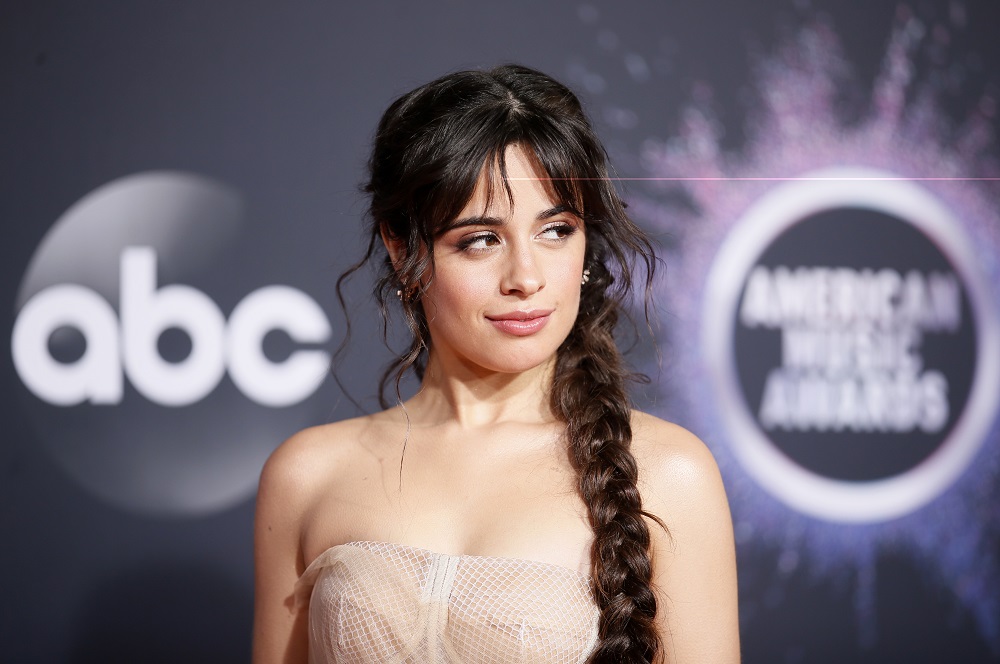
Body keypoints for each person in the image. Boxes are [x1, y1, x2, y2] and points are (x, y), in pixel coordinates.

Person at [252, 64, 739, 664]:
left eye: (556, 230)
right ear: (403, 249)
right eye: (480, 239)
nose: (527, 278)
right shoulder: (307, 475)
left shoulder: (669, 473)